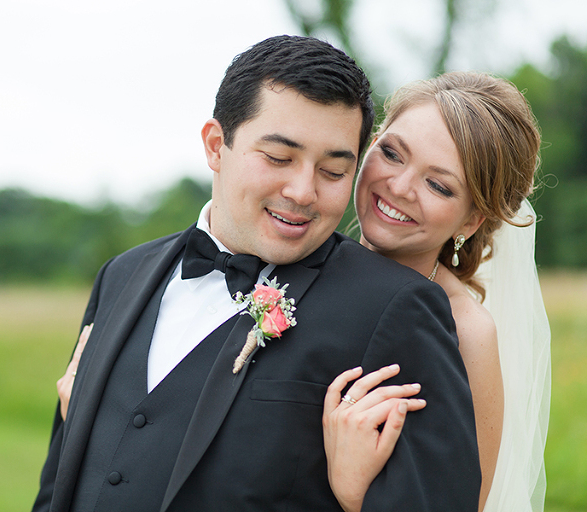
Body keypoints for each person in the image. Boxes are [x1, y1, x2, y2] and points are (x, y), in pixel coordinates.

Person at [32, 35, 481, 512]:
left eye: (332, 171)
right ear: (215, 145)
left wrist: (357, 497)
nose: (303, 190)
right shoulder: (121, 276)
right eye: (278, 157)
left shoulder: (395, 308)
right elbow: (59, 485)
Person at [322, 72, 550, 512]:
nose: (399, 187)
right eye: (391, 153)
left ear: (471, 221)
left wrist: (354, 493)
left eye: (439, 184)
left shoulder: (467, 330)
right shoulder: (303, 259)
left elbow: (461, 501)